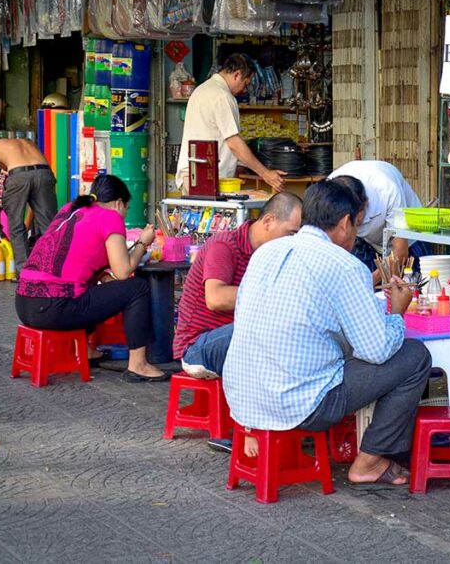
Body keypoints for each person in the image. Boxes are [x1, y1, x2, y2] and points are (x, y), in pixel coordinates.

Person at [223, 179, 433, 487]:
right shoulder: (345, 266)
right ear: (346, 223)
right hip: (299, 403)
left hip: (242, 397)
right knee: (414, 356)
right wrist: (397, 312)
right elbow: (375, 350)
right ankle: (370, 461)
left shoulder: (266, 252)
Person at [14, 174, 169, 383]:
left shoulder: (70, 209)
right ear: (118, 204)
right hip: (54, 308)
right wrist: (143, 243)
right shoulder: (111, 216)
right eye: (126, 209)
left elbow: (74, 258)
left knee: (88, 287)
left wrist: (103, 275)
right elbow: (123, 271)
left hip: (24, 304)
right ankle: (138, 364)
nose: (123, 215)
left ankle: (86, 350)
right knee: (137, 288)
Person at [175, 191, 303, 379]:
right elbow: (216, 298)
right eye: (291, 233)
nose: (294, 241)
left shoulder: (275, 255)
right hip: (198, 348)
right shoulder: (224, 245)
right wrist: (275, 294)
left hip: (237, 338)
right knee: (270, 330)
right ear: (268, 221)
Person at [175, 53, 286, 193]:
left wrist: (237, 164)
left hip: (193, 174)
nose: (244, 90)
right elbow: (233, 142)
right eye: (245, 83)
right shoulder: (222, 96)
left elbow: (214, 134)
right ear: (237, 74)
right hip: (206, 176)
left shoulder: (203, 89)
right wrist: (265, 173)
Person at [328, 160, 427, 278]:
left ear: (362, 210)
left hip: (408, 239)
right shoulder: (329, 192)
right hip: (367, 241)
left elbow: (400, 252)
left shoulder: (387, 191)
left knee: (411, 284)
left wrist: (371, 280)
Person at [0, 137, 57, 272]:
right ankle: (53, 267)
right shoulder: (26, 142)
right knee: (49, 225)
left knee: (16, 226)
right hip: (44, 173)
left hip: (19, 176)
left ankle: (24, 271)